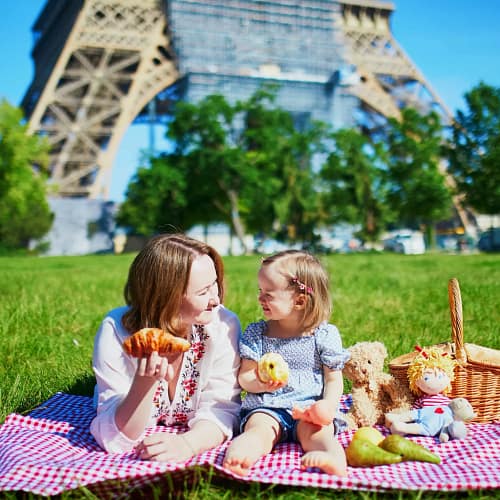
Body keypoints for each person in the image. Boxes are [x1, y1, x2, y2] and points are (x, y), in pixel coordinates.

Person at [90, 233, 241, 461]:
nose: (216, 299)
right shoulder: (117, 330)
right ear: (165, 298)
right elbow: (114, 437)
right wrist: (144, 383)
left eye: (215, 285)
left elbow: (222, 409)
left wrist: (188, 444)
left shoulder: (223, 326)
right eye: (203, 292)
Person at [223, 250, 350, 476]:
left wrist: (327, 406)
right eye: (260, 291)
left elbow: (333, 378)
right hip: (268, 406)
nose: (260, 298)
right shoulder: (257, 333)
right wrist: (261, 382)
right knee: (258, 430)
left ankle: (333, 459)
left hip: (309, 408)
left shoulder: (323, 334)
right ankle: (240, 457)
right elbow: (245, 376)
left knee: (318, 434)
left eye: (268, 294)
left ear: (300, 300)